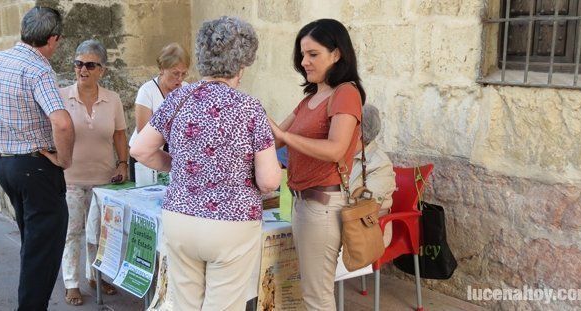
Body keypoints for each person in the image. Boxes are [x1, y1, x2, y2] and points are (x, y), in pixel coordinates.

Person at [131, 16, 281, 310]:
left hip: (181, 217)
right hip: (233, 224)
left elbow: (140, 149)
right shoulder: (250, 107)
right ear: (243, 63)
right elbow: (269, 181)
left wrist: (180, 166)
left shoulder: (179, 98)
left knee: (185, 305)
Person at [0, 6, 74, 310]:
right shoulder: (38, 69)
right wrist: (64, 160)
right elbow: (62, 122)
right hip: (35, 167)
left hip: (7, 164)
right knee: (43, 249)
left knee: (33, 242)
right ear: (53, 39)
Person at [267, 18, 367, 310]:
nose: (304, 61)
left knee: (317, 296)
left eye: (313, 54)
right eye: (302, 54)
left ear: (336, 54)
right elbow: (275, 139)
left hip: (322, 205)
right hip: (302, 203)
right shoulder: (311, 97)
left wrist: (283, 135)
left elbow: (335, 149)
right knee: (312, 291)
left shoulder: (345, 93)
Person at [58, 39, 127, 305]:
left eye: (89, 64)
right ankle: (71, 283)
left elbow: (120, 134)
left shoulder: (113, 100)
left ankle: (95, 276)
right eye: (78, 64)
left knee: (100, 231)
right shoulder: (62, 96)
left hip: (104, 179)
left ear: (102, 70)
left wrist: (123, 163)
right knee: (72, 232)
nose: (82, 69)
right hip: (71, 178)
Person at [128, 43, 190, 180]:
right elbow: (143, 131)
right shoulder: (147, 91)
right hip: (146, 154)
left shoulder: (187, 89)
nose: (180, 79)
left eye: (183, 74)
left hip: (173, 154)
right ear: (162, 69)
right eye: (175, 73)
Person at [349, 104, 395, 246]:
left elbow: (367, 208)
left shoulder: (379, 164)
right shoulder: (342, 154)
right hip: (340, 221)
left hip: (368, 230)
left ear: (358, 132)